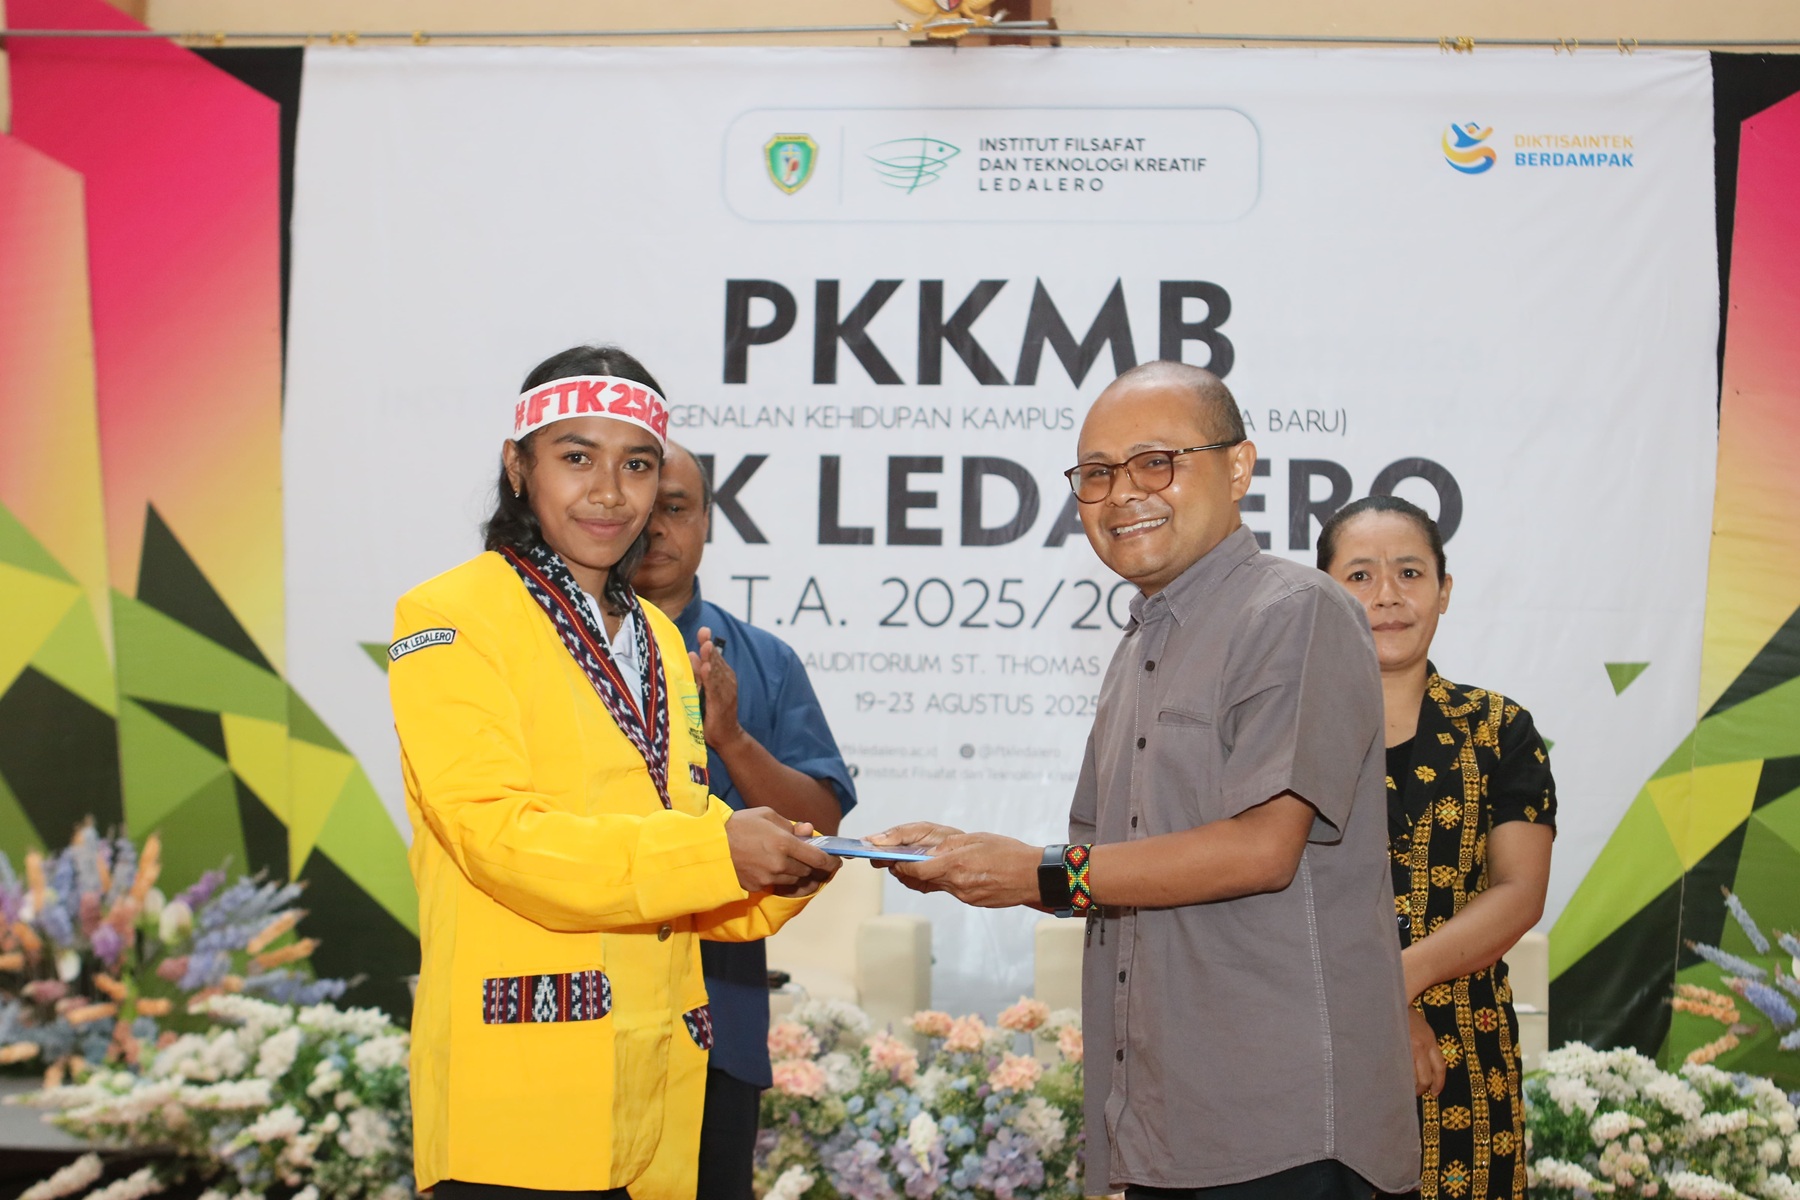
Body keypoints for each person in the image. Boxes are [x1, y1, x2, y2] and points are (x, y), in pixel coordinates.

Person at [872, 361, 1420, 1200]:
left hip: (1285, 1126)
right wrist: (976, 861)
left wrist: (1035, 872)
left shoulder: (1296, 611)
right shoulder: (1138, 649)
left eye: (1156, 463)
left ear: (1238, 467)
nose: (1123, 492)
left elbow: (1263, 849)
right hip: (1166, 1124)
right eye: (1096, 474)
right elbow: (1105, 870)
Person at [388, 344, 838, 1200]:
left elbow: (679, 836)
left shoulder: (660, 638)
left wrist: (786, 866)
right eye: (576, 457)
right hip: (522, 1098)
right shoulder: (451, 614)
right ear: (518, 467)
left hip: (660, 1096)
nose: (609, 492)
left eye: (636, 465)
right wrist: (717, 852)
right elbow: (498, 839)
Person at [631, 442, 857, 1200]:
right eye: (643, 506)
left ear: (707, 521)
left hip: (717, 1013)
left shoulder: (762, 660)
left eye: (676, 508)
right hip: (586, 1013)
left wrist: (730, 737)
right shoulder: (556, 650)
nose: (655, 527)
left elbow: (821, 824)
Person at [1316, 495, 1555, 1200]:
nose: (1387, 595)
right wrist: (1376, 1005)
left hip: (1463, 1056)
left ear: (1444, 591)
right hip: (1308, 1049)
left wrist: (1394, 984)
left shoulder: (1499, 728)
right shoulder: (1283, 729)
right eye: (1360, 575)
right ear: (1322, 596)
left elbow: (1519, 892)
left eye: (1411, 573)